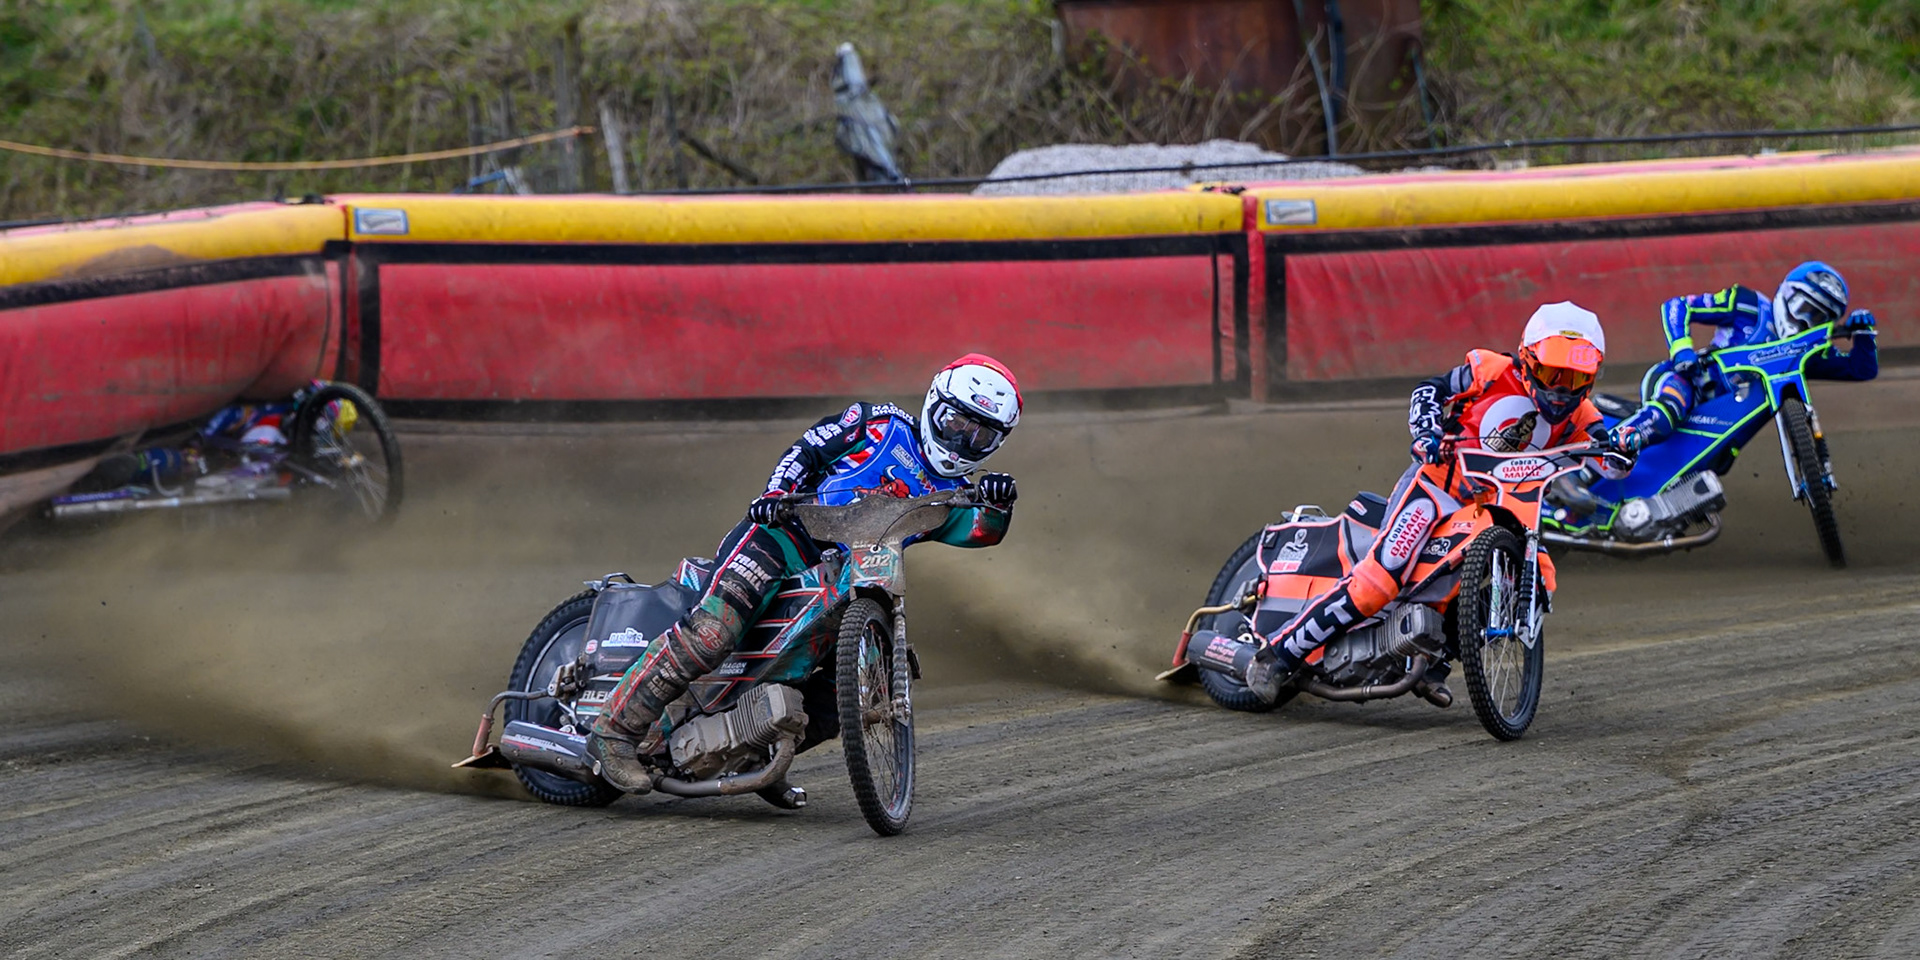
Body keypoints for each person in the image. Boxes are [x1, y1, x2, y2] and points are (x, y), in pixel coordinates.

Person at [585, 354, 1024, 790]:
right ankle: (613, 734)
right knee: (713, 633)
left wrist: (999, 503)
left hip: (849, 576)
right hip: (782, 536)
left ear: (996, 443)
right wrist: (776, 493)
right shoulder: (878, 423)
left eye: (981, 435)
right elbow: (807, 450)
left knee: (862, 687)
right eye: (956, 422)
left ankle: (755, 753)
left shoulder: (956, 496)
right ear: (933, 405)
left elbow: (982, 531)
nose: (963, 439)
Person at [1244, 302, 1634, 702]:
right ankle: (1278, 655)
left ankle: (1434, 656)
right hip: (1435, 489)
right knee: (1381, 579)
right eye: (1553, 375)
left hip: (1497, 509)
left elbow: (1610, 462)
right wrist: (1426, 432)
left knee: (1540, 576)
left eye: (1575, 378)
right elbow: (1430, 390)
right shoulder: (1490, 370)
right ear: (1527, 358)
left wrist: (1625, 447)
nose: (1561, 391)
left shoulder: (1584, 416)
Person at [1615, 261, 1879, 451]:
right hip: (1690, 383)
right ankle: (1608, 450)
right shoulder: (1746, 303)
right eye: (1804, 309)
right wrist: (1682, 350)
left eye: (1819, 319)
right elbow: (1678, 306)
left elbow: (1861, 370)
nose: (1806, 323)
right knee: (1665, 415)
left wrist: (1864, 334)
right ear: (1787, 294)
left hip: (1725, 429)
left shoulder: (1808, 352)